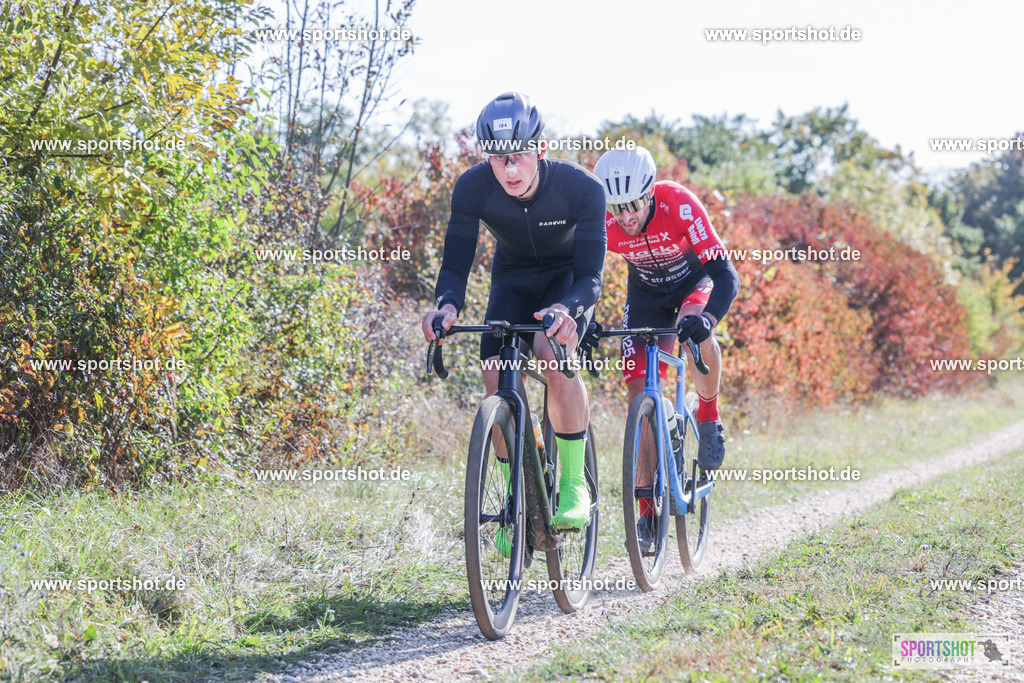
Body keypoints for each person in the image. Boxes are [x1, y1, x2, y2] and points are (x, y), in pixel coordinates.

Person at [421, 92, 607, 549]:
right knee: (495, 374)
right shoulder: (472, 187)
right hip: (512, 282)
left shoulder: (582, 188)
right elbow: (456, 263)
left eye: (518, 157)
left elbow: (591, 276)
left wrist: (568, 311)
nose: (508, 170)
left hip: (566, 286)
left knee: (552, 354)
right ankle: (515, 497)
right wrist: (446, 306)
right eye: (498, 158)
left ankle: (572, 483)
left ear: (540, 150)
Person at [593, 147, 739, 551]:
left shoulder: (679, 204)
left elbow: (725, 274)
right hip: (646, 297)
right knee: (639, 397)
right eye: (617, 208)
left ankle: (708, 414)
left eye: (633, 205)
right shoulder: (605, 220)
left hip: (695, 284)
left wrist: (707, 319)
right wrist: (581, 314)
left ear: (650, 192)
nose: (626, 217)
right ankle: (645, 511)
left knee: (695, 338)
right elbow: (582, 270)